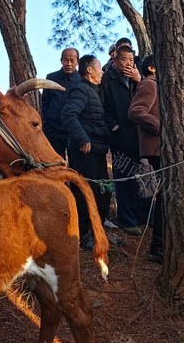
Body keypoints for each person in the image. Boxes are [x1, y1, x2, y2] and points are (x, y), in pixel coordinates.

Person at [60, 55, 115, 250]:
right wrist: (82, 139)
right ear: (90, 71)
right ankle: (82, 235)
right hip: (84, 153)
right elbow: (68, 114)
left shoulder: (95, 92)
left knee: (104, 191)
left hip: (98, 151)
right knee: (84, 193)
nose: (102, 72)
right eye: (99, 68)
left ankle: (96, 231)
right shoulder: (81, 90)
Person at [102, 43, 146, 234]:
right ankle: (127, 219)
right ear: (114, 60)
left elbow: (150, 94)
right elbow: (101, 106)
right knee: (124, 175)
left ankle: (142, 215)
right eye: (123, 60)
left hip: (141, 135)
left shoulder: (139, 76)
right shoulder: (107, 78)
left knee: (143, 175)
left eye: (131, 60)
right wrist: (114, 126)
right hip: (120, 135)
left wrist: (140, 80)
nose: (128, 63)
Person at [128, 54, 164, 263]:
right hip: (157, 148)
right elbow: (135, 111)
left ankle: (161, 242)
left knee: (167, 197)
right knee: (166, 197)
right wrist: (159, 126)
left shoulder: (159, 84)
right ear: (152, 68)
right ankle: (157, 245)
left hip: (163, 148)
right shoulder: (150, 84)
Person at [40, 47, 80, 158]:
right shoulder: (51, 77)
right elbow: (45, 103)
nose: (69, 63)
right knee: (55, 164)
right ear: (61, 60)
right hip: (53, 130)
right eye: (66, 60)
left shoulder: (82, 80)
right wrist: (47, 124)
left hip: (74, 130)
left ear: (78, 62)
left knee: (76, 166)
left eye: (72, 60)